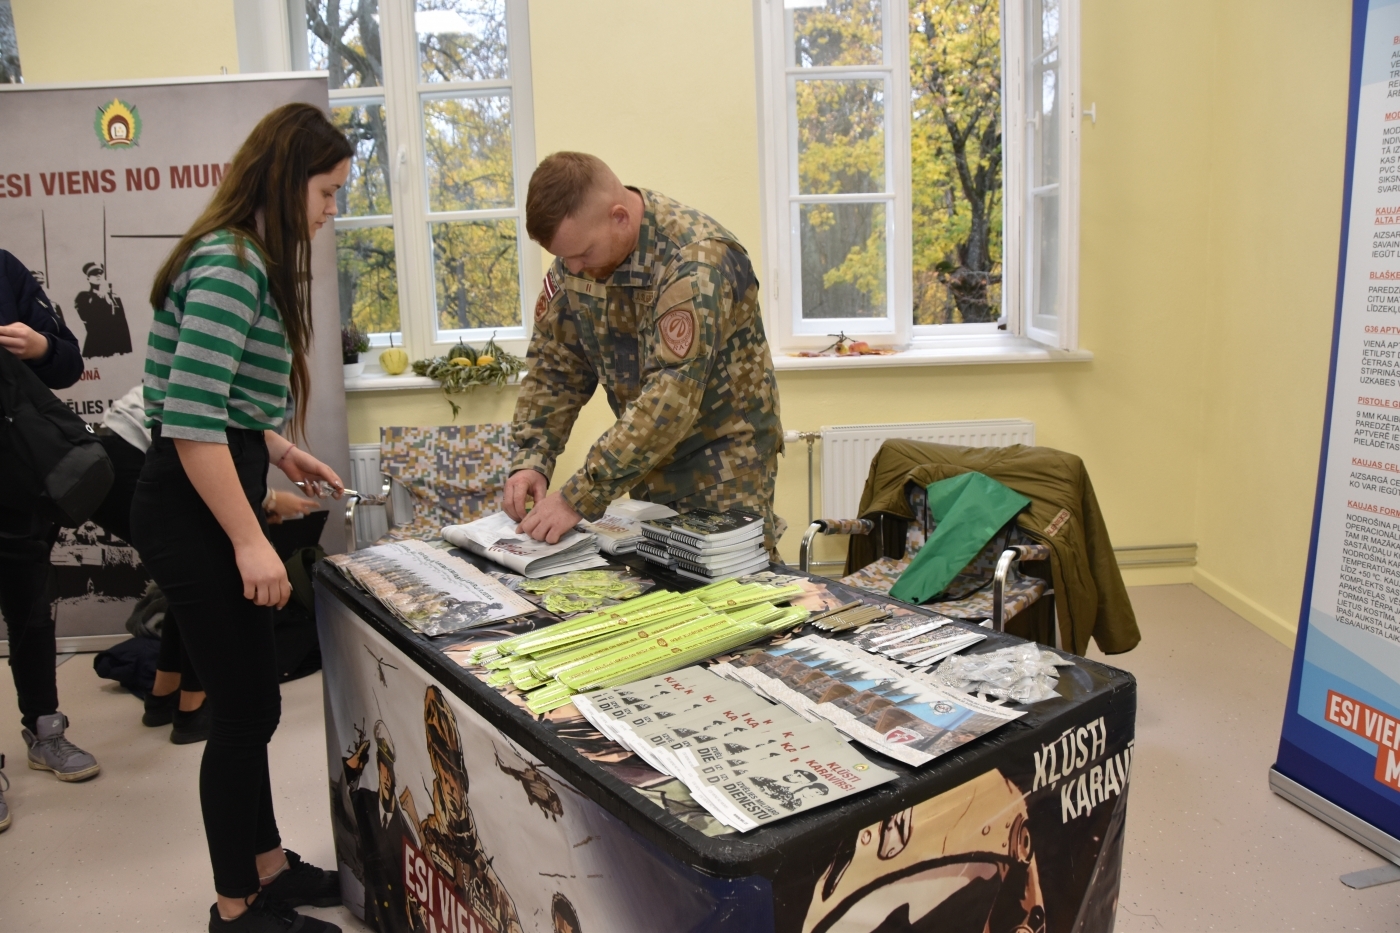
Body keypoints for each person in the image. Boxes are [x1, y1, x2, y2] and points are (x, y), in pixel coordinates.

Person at [128, 102, 352, 933]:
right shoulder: (232, 265)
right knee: (244, 715)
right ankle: (235, 906)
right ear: (289, 179)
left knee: (252, 701)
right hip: (192, 512)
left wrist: (281, 450)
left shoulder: (237, 256)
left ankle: (266, 867)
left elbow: (221, 402)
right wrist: (251, 537)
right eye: (327, 192)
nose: (332, 211)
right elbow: (189, 420)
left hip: (209, 495)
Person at [502, 152, 785, 557]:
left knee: (728, 591)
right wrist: (532, 457)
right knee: (659, 586)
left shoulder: (694, 262)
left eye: (582, 254)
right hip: (646, 459)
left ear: (619, 217)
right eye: (563, 258)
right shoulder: (576, 263)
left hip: (724, 461)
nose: (573, 269)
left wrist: (576, 496)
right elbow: (555, 369)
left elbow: (668, 399)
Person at [96, 384, 318, 744]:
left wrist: (265, 499)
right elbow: (206, 444)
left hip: (125, 452)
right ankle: (190, 710)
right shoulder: (239, 366)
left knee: (186, 587)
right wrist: (264, 506)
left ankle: (163, 697)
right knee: (206, 581)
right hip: (138, 457)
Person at [0, 247, 98, 836]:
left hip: (17, 479)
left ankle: (45, 731)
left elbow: (66, 361)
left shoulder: (6, 271)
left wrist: (38, 347)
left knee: (32, 614)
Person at [73, 260, 132, 357]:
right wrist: (100, 298)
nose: (98, 275)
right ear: (88, 278)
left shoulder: (115, 297)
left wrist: (126, 349)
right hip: (96, 345)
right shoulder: (83, 297)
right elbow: (88, 319)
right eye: (93, 273)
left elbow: (123, 324)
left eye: (100, 273)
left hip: (116, 345)